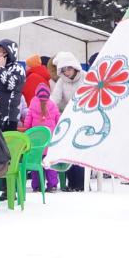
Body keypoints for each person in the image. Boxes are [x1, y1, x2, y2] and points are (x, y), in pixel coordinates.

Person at [47, 51, 86, 190]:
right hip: (68, 120)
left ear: (75, 67)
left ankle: (81, 184)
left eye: (69, 69)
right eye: (64, 70)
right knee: (68, 153)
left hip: (84, 119)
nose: (67, 72)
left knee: (79, 153)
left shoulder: (86, 78)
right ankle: (72, 183)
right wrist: (45, 110)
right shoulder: (62, 82)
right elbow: (54, 99)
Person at [20, 82, 61, 192]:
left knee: (35, 164)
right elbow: (59, 121)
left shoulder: (33, 104)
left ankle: (37, 186)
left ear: (36, 94)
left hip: (36, 143)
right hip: (49, 142)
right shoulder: (53, 105)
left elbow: (27, 124)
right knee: (50, 165)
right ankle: (52, 185)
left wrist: (28, 128)